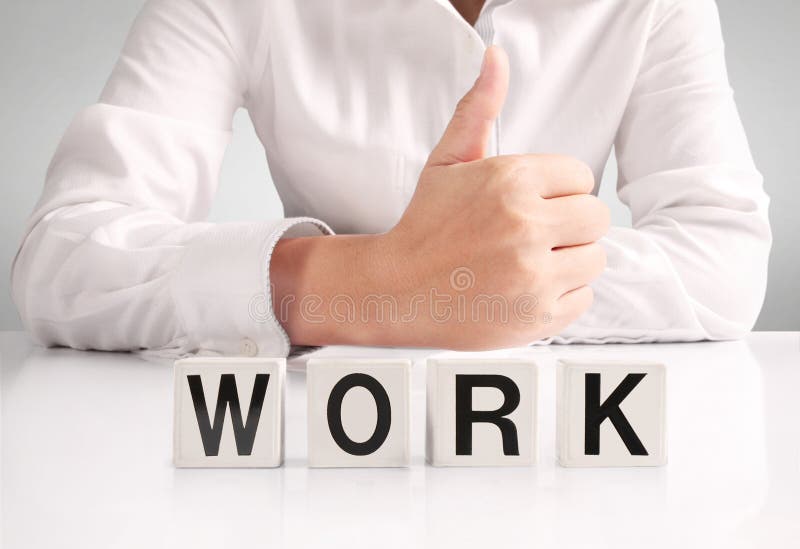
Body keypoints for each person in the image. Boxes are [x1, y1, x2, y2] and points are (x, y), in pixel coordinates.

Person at [10, 0, 772, 357]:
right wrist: (379, 284)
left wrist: (475, 283)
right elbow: (65, 258)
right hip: (303, 473)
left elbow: (724, 258)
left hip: (556, 469)